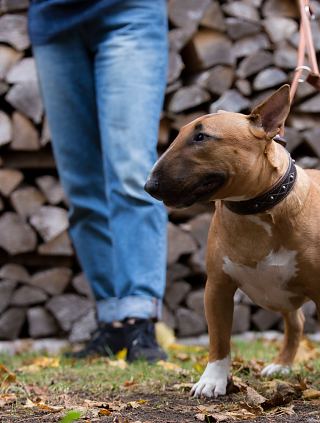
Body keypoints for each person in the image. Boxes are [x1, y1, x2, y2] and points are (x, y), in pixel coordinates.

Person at [29, 0, 168, 362]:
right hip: (52, 20)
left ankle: (140, 320)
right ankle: (113, 323)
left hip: (129, 12)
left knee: (132, 173)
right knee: (81, 183)